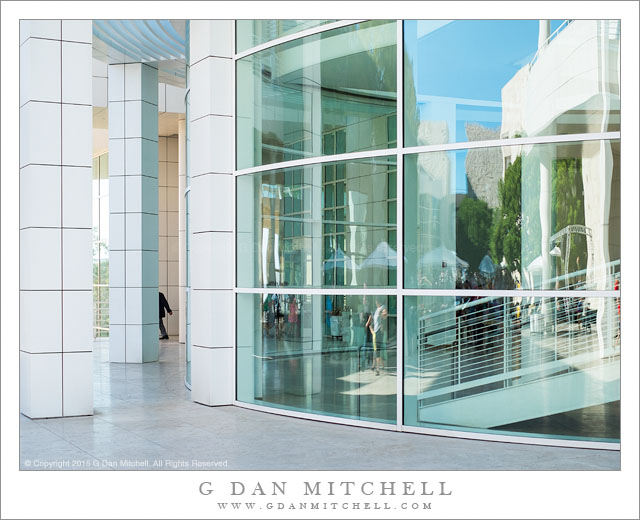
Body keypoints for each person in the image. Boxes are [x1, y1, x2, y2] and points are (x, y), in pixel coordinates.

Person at [370, 297, 388, 375]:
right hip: (375, 332)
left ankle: (377, 368)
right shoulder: (376, 309)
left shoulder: (382, 307)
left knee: (377, 349)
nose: (376, 303)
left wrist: (381, 315)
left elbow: (385, 315)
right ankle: (379, 366)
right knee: (376, 349)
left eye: (376, 301)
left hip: (379, 332)